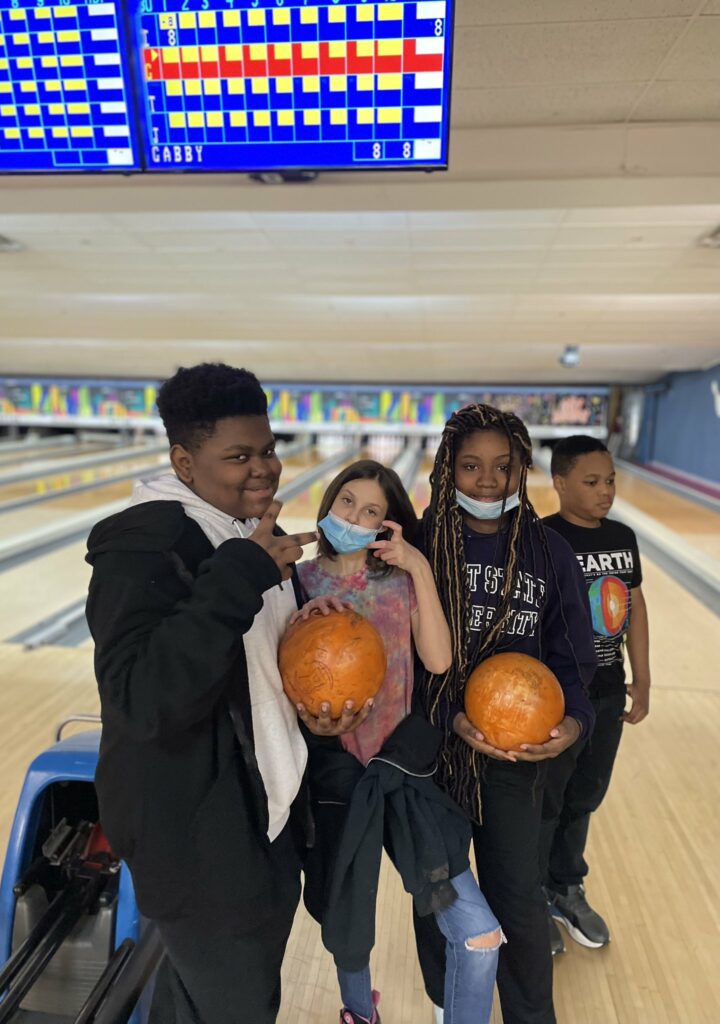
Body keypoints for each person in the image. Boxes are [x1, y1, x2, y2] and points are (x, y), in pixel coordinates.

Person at [84, 362, 366, 1024]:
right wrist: (242, 574)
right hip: (201, 846)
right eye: (237, 456)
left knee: (194, 1004)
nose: (263, 468)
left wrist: (315, 699)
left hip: (257, 825)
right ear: (185, 461)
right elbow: (141, 698)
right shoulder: (144, 545)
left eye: (267, 449)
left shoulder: (243, 533)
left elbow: (251, 679)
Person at [296, 459, 502, 1024]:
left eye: (372, 511)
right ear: (328, 503)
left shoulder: (401, 582)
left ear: (387, 525)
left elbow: (437, 659)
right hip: (337, 775)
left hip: (404, 772)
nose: (355, 516)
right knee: (349, 932)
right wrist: (300, 623)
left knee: (479, 934)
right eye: (346, 502)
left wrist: (418, 567)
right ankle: (360, 1014)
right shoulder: (298, 583)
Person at [411, 404, 597, 1024]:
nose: (487, 480)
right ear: (447, 469)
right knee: (438, 893)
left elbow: (573, 659)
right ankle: (450, 1006)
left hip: (514, 759)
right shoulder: (422, 543)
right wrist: (449, 719)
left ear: (522, 468)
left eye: (503, 466)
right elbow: (399, 659)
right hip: (434, 757)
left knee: (518, 897)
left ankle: (528, 1016)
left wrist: (571, 722)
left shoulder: (551, 553)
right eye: (470, 467)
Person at [540, 435, 650, 953]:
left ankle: (565, 885)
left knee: (585, 795)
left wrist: (642, 676)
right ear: (560, 483)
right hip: (557, 697)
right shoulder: (541, 539)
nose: (605, 491)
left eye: (610, 481)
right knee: (547, 799)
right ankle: (530, 892)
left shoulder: (623, 538)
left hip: (606, 690)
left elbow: (634, 606)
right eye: (591, 482)